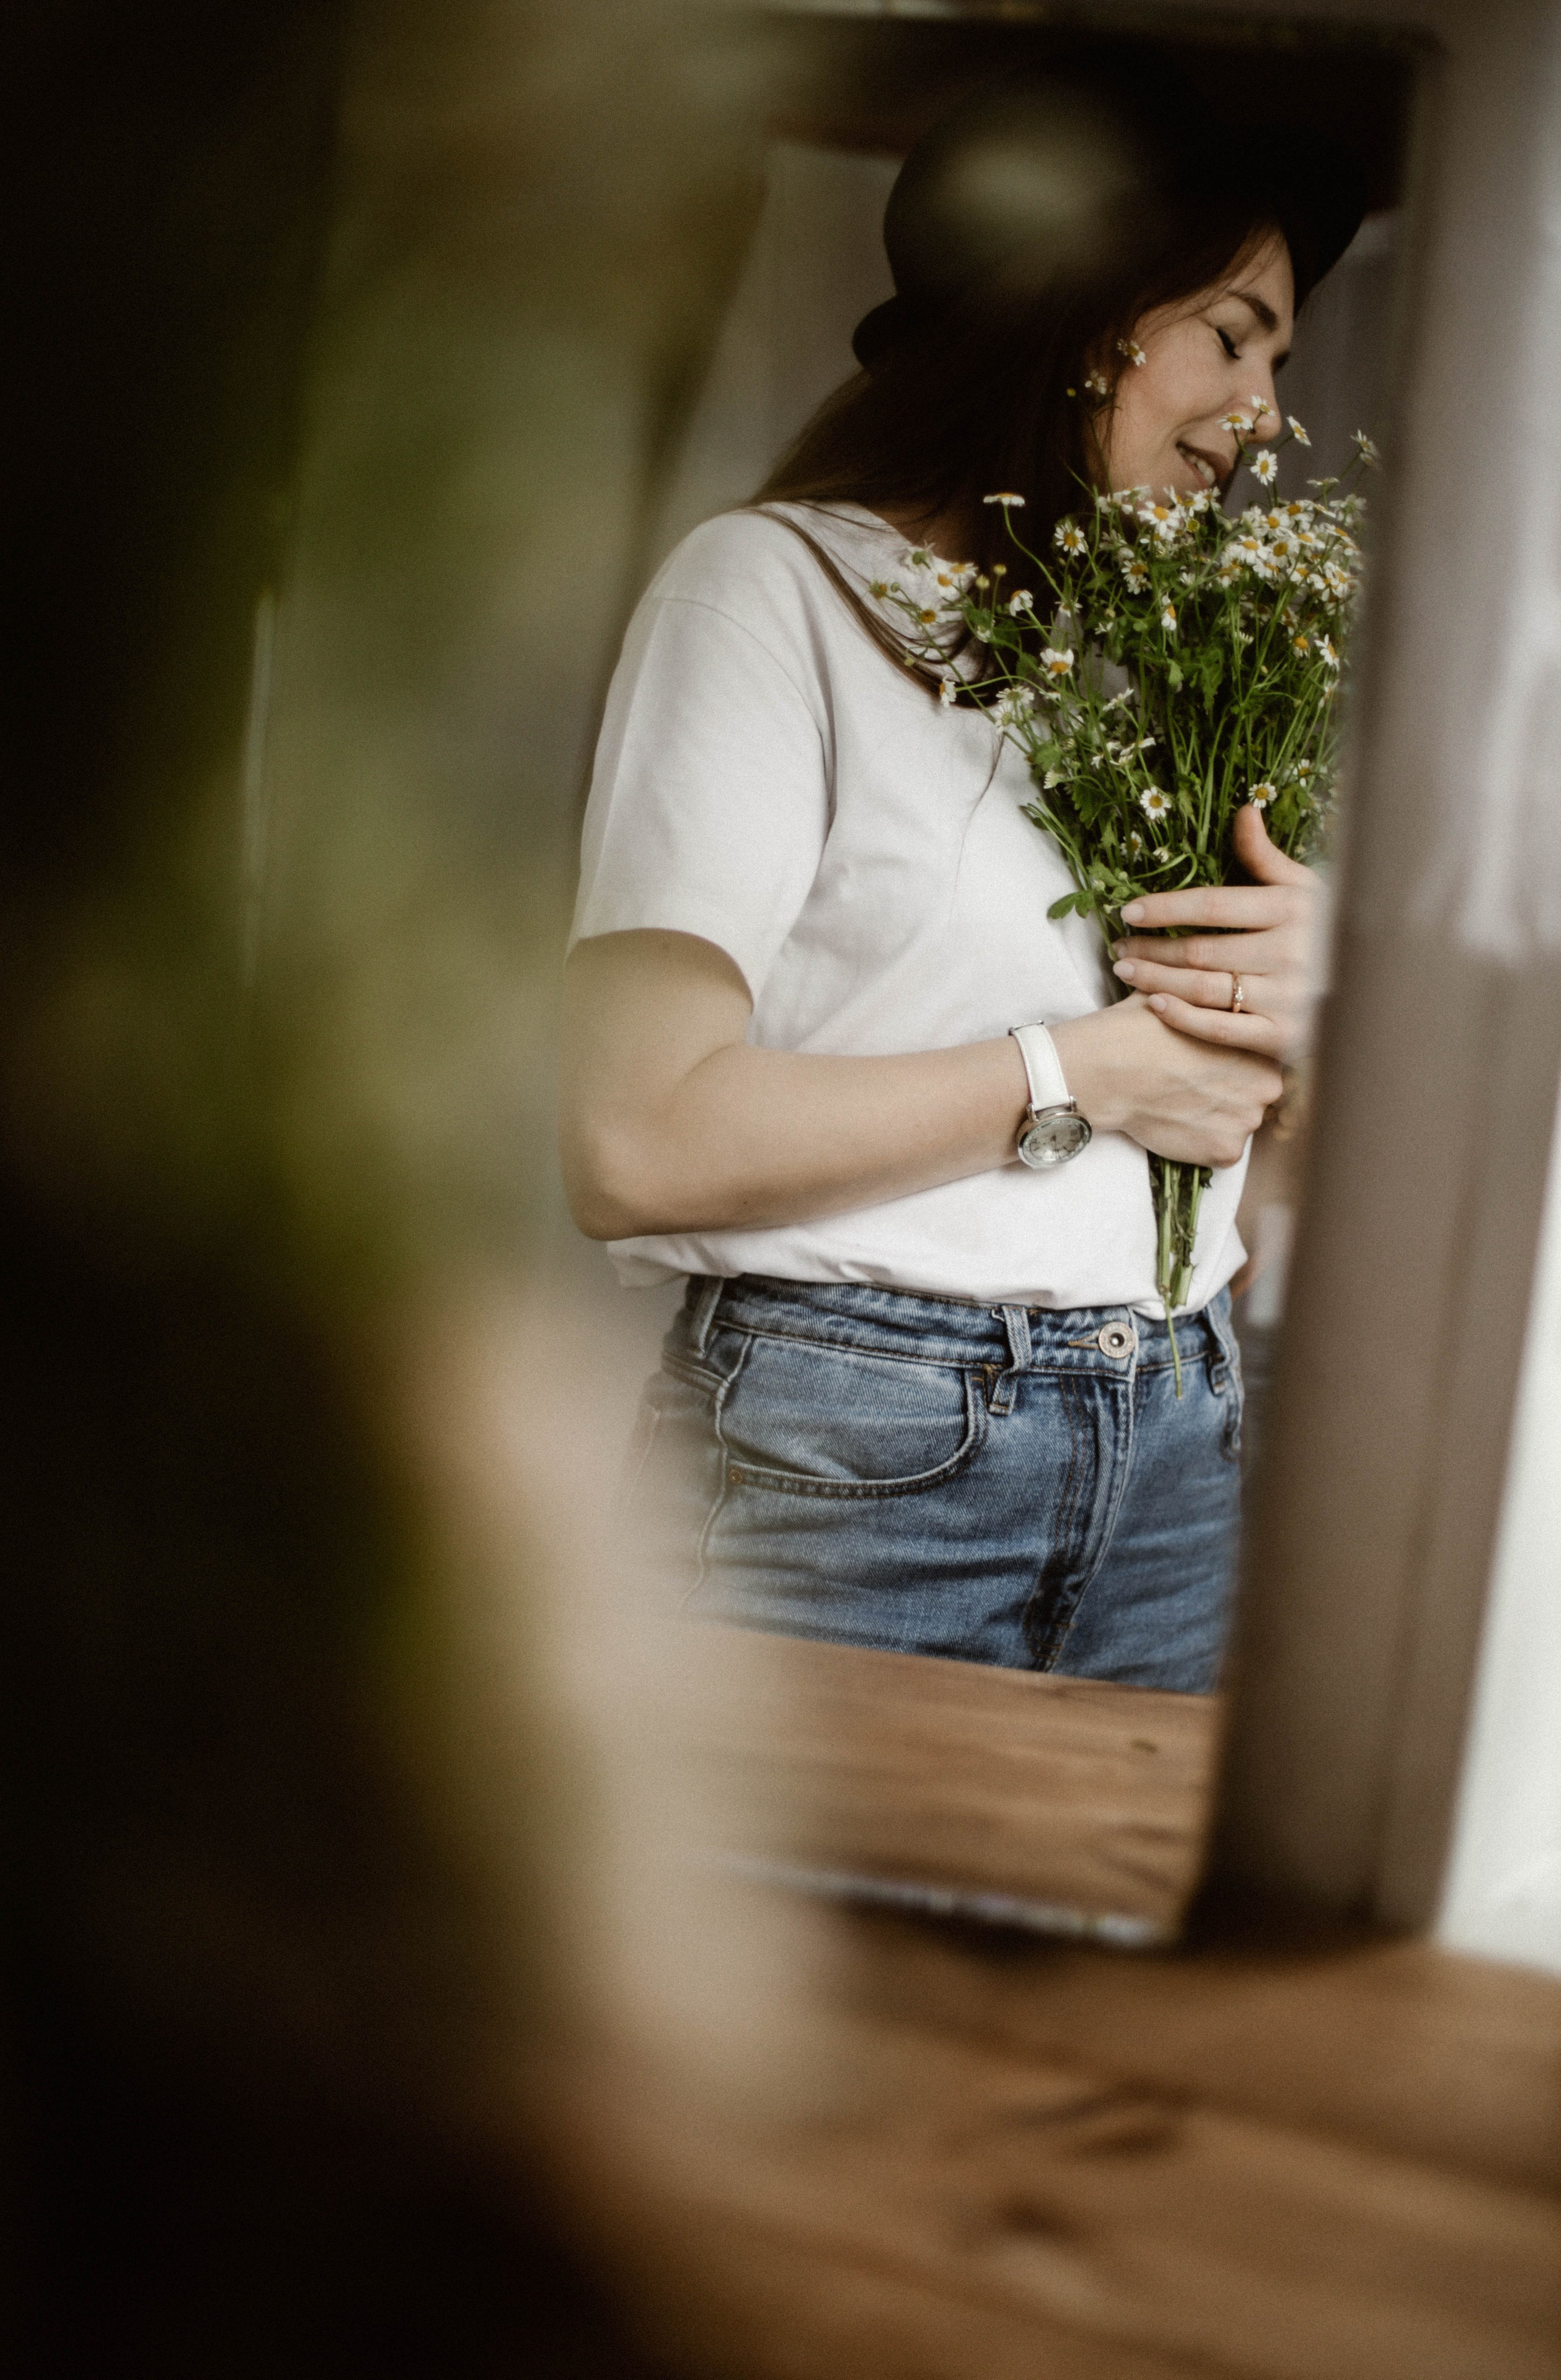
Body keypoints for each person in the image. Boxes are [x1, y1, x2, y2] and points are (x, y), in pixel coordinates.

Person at [559, 57, 1366, 1692]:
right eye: (1233, 331)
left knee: (1123, 1945)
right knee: (820, 1948)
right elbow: (632, 1142)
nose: (1266, 412)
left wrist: (1302, 991)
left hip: (1187, 1440)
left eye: (1278, 356)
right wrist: (1088, 1072)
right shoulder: (766, 596)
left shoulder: (1171, 662)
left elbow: (1262, 1158)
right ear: (1090, 315)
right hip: (858, 1453)